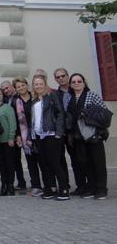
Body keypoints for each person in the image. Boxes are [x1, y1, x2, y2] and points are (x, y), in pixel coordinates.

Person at [67, 73, 110, 200]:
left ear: (84, 83)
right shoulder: (70, 98)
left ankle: (101, 189)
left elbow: (104, 112)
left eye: (79, 81)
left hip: (93, 135)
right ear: (70, 84)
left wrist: (88, 115)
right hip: (78, 136)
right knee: (84, 163)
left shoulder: (92, 95)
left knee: (98, 163)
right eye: (74, 82)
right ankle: (91, 187)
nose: (76, 83)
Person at [31, 75, 68, 200]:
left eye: (41, 84)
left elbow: (60, 114)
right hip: (39, 136)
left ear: (45, 84)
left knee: (55, 163)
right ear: (33, 86)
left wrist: (59, 132)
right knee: (44, 164)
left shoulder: (52, 96)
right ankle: (50, 188)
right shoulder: (34, 100)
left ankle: (63, 189)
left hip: (51, 134)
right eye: (36, 84)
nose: (39, 86)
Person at [12, 77, 44, 197]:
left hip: (39, 133)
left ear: (27, 85)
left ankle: (48, 184)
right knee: (31, 162)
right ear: (15, 89)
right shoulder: (15, 101)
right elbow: (15, 120)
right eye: (18, 87)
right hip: (25, 135)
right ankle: (36, 186)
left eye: (22, 85)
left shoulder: (36, 98)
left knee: (43, 160)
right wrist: (17, 135)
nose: (21, 88)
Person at [53, 67, 82, 195]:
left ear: (67, 76)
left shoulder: (74, 90)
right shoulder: (55, 94)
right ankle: (66, 185)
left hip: (77, 130)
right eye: (58, 77)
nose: (61, 78)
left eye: (62, 76)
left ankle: (83, 185)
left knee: (79, 158)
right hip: (62, 131)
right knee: (62, 160)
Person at [1, 79, 27, 190]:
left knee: (18, 159)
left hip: (21, 133)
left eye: (7, 88)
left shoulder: (18, 98)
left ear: (12, 87)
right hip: (13, 133)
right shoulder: (5, 100)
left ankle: (22, 182)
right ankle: (21, 182)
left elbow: (18, 118)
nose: (6, 90)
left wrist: (17, 135)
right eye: (3, 89)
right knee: (16, 160)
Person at [0, 87, 17, 196]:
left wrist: (11, 137)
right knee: (2, 164)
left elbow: (13, 123)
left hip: (7, 140)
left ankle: (10, 185)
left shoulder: (7, 108)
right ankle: (4, 185)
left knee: (9, 164)